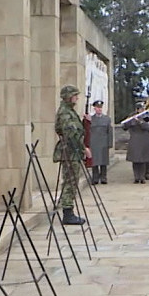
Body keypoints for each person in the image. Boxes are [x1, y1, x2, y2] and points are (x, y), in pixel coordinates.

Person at [53, 85, 89, 225]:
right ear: (68, 97)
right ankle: (68, 213)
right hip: (70, 151)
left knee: (72, 181)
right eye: (74, 95)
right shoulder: (65, 113)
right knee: (70, 182)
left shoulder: (69, 111)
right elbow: (71, 134)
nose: (77, 98)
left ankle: (69, 211)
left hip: (72, 152)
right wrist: (83, 148)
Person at [123, 101, 149, 184]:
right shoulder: (132, 116)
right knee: (135, 159)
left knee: (142, 159)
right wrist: (130, 121)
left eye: (142, 109)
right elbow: (124, 127)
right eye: (139, 109)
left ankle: (142, 177)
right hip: (134, 139)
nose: (141, 110)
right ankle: (136, 177)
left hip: (144, 139)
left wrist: (140, 122)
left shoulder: (146, 116)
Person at [88, 100, 112, 185]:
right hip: (94, 142)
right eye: (97, 108)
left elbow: (109, 132)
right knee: (94, 161)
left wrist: (110, 143)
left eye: (100, 108)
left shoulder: (107, 119)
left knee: (103, 161)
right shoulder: (91, 119)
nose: (99, 109)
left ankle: (103, 177)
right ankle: (95, 178)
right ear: (94, 108)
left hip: (103, 142)